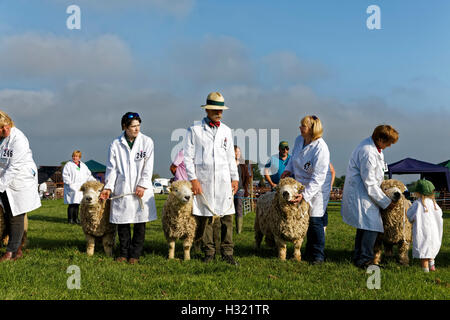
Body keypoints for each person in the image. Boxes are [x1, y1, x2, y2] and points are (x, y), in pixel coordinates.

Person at [184, 92, 239, 265]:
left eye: (221, 110)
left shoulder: (226, 131)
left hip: (223, 180)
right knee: (206, 217)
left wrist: (235, 178)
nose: (219, 113)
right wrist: (193, 180)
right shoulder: (194, 130)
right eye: (216, 109)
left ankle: (227, 252)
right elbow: (188, 157)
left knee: (227, 217)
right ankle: (209, 252)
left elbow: (231, 156)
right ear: (207, 110)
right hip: (204, 179)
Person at [100, 112, 157, 265]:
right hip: (123, 188)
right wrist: (108, 187)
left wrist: (143, 184)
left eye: (138, 125)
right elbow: (112, 169)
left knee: (140, 222)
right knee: (123, 223)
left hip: (140, 190)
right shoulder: (115, 144)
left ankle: (135, 254)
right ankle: (123, 252)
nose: (136, 129)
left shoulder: (147, 142)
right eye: (133, 126)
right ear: (124, 127)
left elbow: (148, 166)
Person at [341, 124, 398, 269]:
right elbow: (370, 183)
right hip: (362, 193)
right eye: (388, 142)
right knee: (372, 226)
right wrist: (386, 202)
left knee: (364, 226)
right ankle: (365, 260)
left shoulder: (374, 149)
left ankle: (359, 257)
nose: (389, 146)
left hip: (365, 193)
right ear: (380, 139)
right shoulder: (368, 152)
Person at [281, 115, 332, 265]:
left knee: (315, 219)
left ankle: (318, 255)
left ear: (312, 129)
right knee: (304, 219)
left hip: (318, 186)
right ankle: (308, 251)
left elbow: (319, 177)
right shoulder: (299, 140)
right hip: (300, 182)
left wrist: (305, 195)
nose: (300, 128)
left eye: (303, 126)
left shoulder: (321, 148)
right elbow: (293, 159)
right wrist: (288, 170)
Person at [0, 111, 41, 262]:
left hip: (19, 181)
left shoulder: (19, 139)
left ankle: (10, 253)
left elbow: (13, 168)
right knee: (7, 215)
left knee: (16, 215)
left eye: (6, 126)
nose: (5, 130)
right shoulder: (2, 139)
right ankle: (17, 249)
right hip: (5, 180)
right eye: (1, 128)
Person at [407, 179, 443, 272]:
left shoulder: (417, 204)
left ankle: (425, 273)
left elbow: (409, 215)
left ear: (418, 192)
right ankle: (432, 267)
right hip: (435, 233)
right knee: (431, 250)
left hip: (422, 232)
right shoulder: (435, 205)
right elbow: (440, 215)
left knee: (424, 252)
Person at [62, 150, 96, 224]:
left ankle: (76, 219)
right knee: (72, 204)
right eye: (73, 156)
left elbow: (88, 175)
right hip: (71, 187)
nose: (75, 157)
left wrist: (94, 181)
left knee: (77, 204)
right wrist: (70, 184)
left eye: (76, 156)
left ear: (79, 157)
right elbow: (65, 176)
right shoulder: (68, 165)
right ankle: (70, 220)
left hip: (80, 188)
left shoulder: (83, 165)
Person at [234, 145, 251, 234]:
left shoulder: (243, 165)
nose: (238, 153)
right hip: (228, 190)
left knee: (239, 208)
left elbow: (247, 177)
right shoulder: (228, 163)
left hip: (240, 189)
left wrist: (245, 189)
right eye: (236, 151)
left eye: (239, 152)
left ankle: (238, 230)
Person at [323, 162, 336, 234]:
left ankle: (323, 229)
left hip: (324, 189)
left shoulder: (326, 160)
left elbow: (333, 171)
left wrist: (331, 184)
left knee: (324, 209)